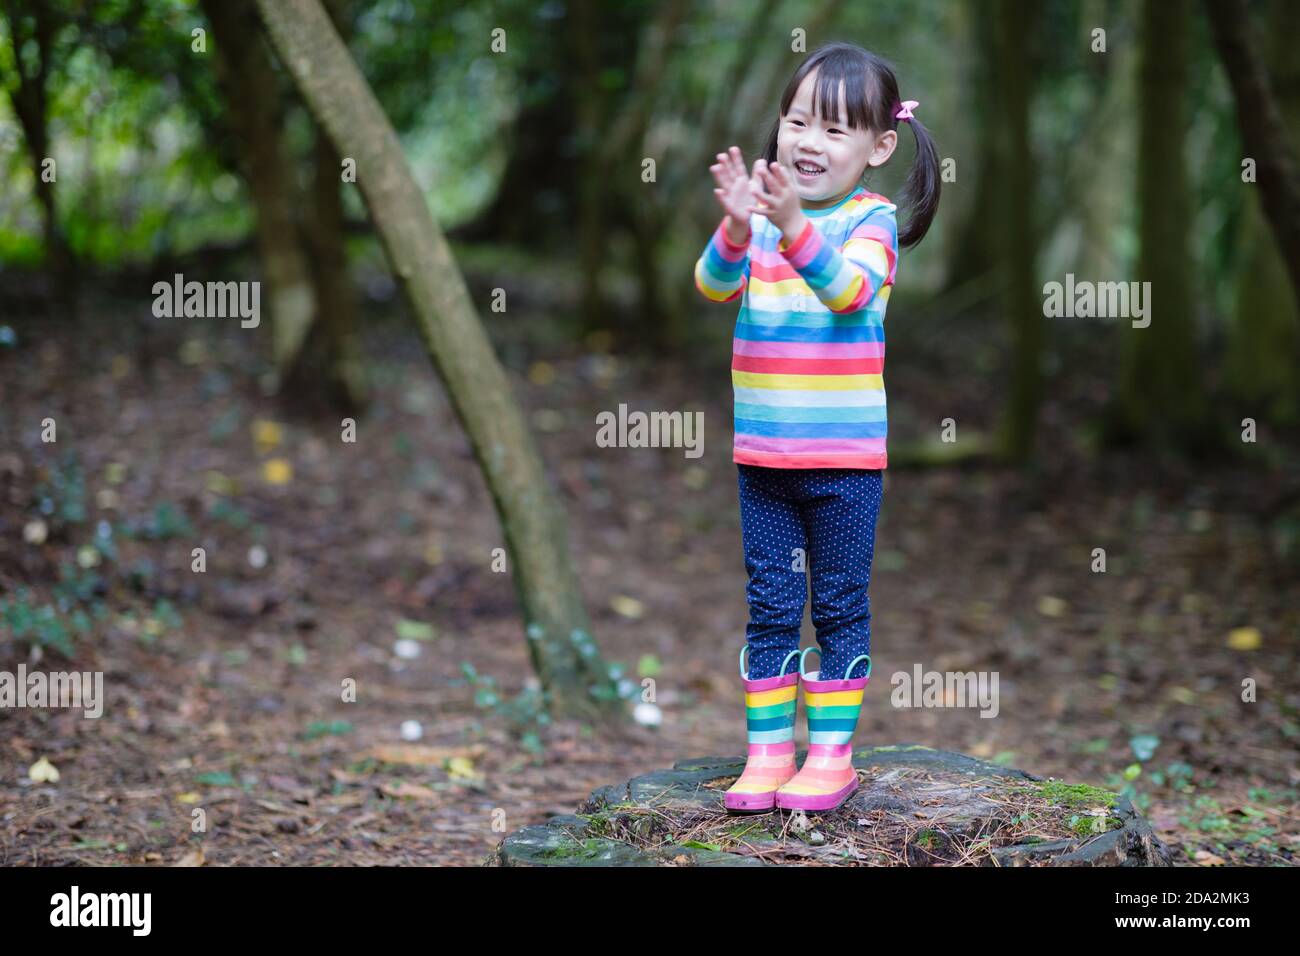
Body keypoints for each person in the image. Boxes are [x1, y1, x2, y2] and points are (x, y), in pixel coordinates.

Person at [692, 41, 941, 813]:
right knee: (769, 606)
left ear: (878, 147)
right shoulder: (765, 218)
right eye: (798, 121)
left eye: (835, 130)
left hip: (843, 463)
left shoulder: (872, 221)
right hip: (763, 458)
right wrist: (737, 228)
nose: (807, 141)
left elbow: (847, 292)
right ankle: (768, 755)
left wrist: (791, 224)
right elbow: (710, 286)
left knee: (836, 606)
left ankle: (830, 757)